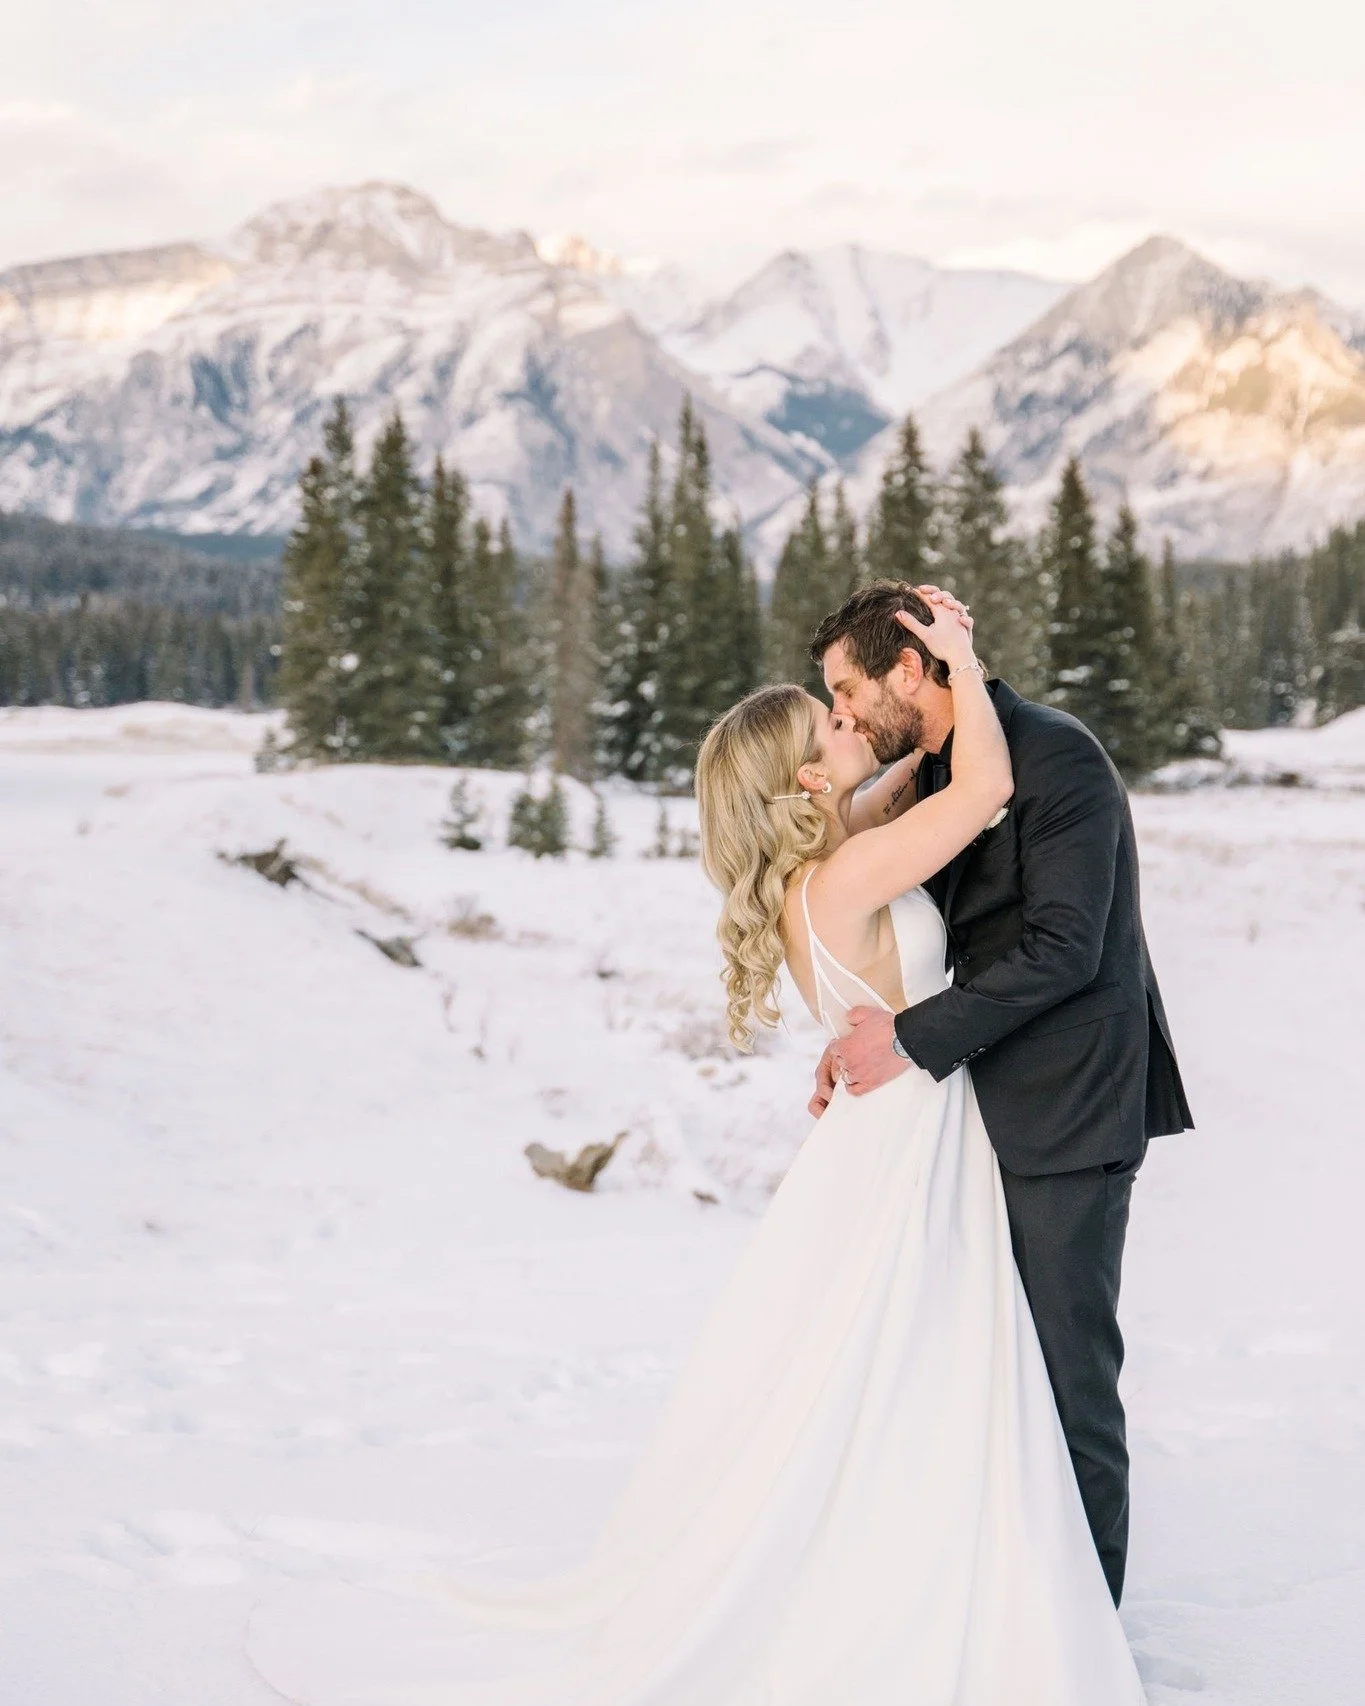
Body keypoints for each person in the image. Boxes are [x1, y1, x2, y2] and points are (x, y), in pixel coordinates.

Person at [251, 593, 1149, 1705]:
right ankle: (960, 1602)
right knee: (921, 1371)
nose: (843, 719)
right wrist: (958, 662)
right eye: (827, 721)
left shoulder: (840, 853)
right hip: (916, 1129)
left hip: (932, 1116)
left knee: (927, 1374)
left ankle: (1012, 1594)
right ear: (804, 780)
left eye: (844, 697)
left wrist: (940, 699)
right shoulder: (848, 871)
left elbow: (953, 813)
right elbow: (981, 793)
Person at [809, 579, 1193, 1605]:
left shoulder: (1055, 753)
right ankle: (1007, 1612)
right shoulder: (939, 768)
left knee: (1069, 1389)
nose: (843, 714)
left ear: (908, 667)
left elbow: (1065, 947)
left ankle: (1086, 1639)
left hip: (1069, 1114)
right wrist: (860, 1014)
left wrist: (910, 1037)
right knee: (987, 1382)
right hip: (972, 1115)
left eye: (848, 688)